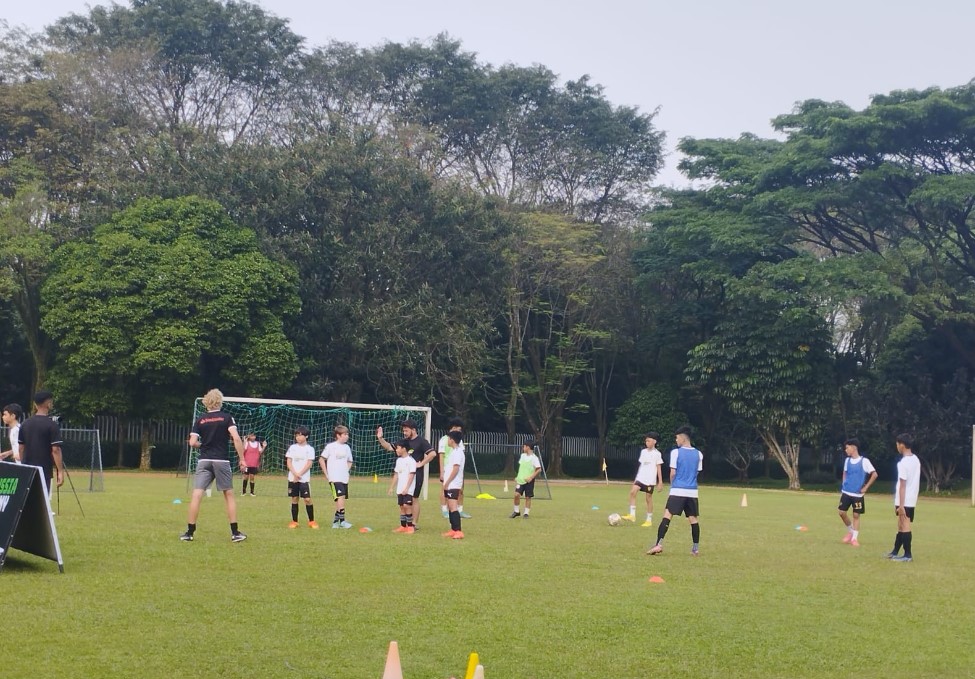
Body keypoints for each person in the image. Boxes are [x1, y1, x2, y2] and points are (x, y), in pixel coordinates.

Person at [182, 388, 247, 542]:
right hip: (221, 460)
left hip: (204, 460)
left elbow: (192, 442)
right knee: (229, 496)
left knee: (197, 495)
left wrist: (202, 445)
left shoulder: (200, 420)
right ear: (220, 401)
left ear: (206, 402)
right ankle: (235, 533)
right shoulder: (227, 418)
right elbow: (236, 438)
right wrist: (242, 458)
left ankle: (189, 532)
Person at [647, 426, 703, 556]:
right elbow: (696, 473)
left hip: (678, 490)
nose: (676, 440)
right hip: (692, 491)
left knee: (667, 515)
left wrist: (673, 486)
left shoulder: (676, 453)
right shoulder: (699, 454)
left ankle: (658, 544)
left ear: (683, 438)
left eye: (677, 438)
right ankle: (695, 549)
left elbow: (673, 473)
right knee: (693, 519)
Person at [377, 419, 435, 530]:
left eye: (406, 430)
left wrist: (421, 464)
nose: (404, 433)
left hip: (416, 474)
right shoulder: (404, 442)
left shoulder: (422, 441)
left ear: (413, 430)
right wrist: (380, 438)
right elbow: (389, 447)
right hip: (404, 476)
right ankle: (406, 525)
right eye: (403, 431)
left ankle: (413, 524)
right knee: (404, 501)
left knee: (414, 498)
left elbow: (432, 454)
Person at [18, 391, 64, 494]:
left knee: (28, 499)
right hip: (44, 470)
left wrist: (23, 465)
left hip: (28, 469)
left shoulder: (25, 424)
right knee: (42, 500)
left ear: (35, 404)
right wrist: (60, 471)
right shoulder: (52, 425)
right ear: (48, 404)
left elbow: (21, 448)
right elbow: (55, 450)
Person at [837, 437, 877, 548]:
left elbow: (874, 474)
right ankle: (850, 532)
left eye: (847, 448)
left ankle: (854, 538)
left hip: (858, 495)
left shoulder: (864, 461)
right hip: (846, 492)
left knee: (856, 515)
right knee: (841, 512)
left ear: (854, 448)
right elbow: (845, 473)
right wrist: (844, 483)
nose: (845, 450)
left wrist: (866, 487)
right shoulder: (847, 461)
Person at [887, 433, 921, 562]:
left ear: (902, 444)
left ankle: (907, 555)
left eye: (897, 444)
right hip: (911, 499)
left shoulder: (903, 463)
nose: (897, 446)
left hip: (905, 500)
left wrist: (901, 505)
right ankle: (895, 551)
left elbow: (902, 485)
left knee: (905, 525)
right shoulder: (916, 459)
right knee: (901, 525)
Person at [621, 432, 664, 526]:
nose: (647, 442)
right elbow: (641, 465)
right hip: (641, 477)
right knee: (632, 492)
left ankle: (649, 520)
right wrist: (636, 478)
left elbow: (659, 467)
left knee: (648, 498)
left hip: (650, 480)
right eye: (646, 441)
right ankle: (632, 515)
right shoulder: (643, 452)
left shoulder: (657, 454)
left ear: (654, 441)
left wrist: (660, 482)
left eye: (649, 441)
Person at [319, 424, 354, 529]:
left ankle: (335, 521)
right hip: (334, 478)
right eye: (345, 434)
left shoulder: (347, 447)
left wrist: (346, 470)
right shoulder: (331, 446)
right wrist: (326, 474)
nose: (347, 436)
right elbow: (321, 459)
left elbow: (350, 461)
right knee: (340, 498)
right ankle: (342, 521)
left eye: (347, 434)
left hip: (344, 478)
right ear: (338, 435)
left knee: (341, 499)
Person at [286, 426, 318, 529]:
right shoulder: (292, 448)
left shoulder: (310, 449)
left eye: (300, 435)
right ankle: (294, 521)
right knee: (294, 498)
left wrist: (299, 474)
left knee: (307, 499)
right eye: (297, 435)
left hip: (304, 479)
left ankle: (311, 521)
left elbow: (309, 463)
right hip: (293, 478)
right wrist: (295, 474)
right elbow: (289, 462)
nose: (298, 437)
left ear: (306, 436)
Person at [439, 417, 470, 519]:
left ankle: (459, 510)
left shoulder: (459, 441)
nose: (460, 431)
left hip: (457, 469)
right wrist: (441, 472)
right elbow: (441, 456)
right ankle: (445, 510)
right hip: (448, 469)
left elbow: (460, 456)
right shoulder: (444, 440)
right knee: (445, 489)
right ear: (453, 428)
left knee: (460, 490)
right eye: (458, 429)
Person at [388, 439, 417, 533]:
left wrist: (407, 488)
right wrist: (392, 487)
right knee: (401, 507)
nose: (396, 450)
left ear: (404, 449)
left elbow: (412, 475)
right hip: (400, 488)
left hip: (408, 489)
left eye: (398, 448)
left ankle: (410, 527)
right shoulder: (399, 460)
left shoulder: (411, 461)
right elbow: (396, 475)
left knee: (407, 506)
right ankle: (403, 526)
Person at [442, 430, 466, 539]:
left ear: (452, 440)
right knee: (450, 507)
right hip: (450, 484)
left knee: (453, 506)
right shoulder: (454, 451)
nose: (447, 440)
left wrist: (447, 483)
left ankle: (458, 531)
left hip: (453, 484)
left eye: (448, 438)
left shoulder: (458, 453)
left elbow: (456, 469)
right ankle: (453, 529)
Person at [509, 440, 542, 519]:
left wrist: (531, 477)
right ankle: (516, 511)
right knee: (516, 495)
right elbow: (521, 467)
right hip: (520, 480)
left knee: (528, 497)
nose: (523, 448)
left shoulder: (534, 458)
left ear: (528, 447)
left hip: (529, 481)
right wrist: (518, 476)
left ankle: (526, 513)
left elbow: (539, 469)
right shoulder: (522, 456)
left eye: (524, 446)